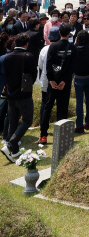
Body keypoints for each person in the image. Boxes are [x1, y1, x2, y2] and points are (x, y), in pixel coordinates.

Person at [1, 32, 38, 161]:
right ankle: (11, 145)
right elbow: (34, 75)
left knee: (13, 121)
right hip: (24, 92)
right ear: (27, 44)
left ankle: (14, 151)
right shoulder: (29, 56)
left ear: (15, 43)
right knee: (27, 120)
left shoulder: (7, 57)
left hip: (10, 92)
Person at [41, 23, 75, 144]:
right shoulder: (72, 47)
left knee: (48, 107)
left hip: (53, 83)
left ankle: (43, 135)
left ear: (59, 33)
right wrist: (65, 81)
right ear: (69, 33)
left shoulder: (53, 46)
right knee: (63, 108)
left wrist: (51, 80)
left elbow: (48, 65)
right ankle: (62, 135)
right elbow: (72, 67)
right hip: (65, 83)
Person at [73, 30, 89, 134]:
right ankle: (88, 123)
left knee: (79, 102)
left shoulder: (75, 49)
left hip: (78, 77)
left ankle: (79, 126)